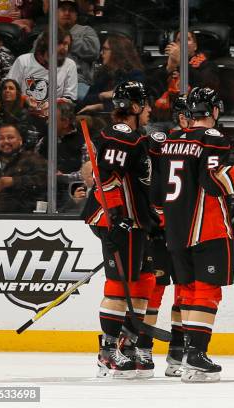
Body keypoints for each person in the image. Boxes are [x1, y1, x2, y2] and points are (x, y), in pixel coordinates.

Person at [148, 87, 234, 383]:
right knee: (207, 291)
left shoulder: (171, 140)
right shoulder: (212, 138)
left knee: (185, 290)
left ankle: (183, 353)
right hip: (207, 227)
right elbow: (214, 183)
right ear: (213, 111)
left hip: (175, 229)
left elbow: (157, 193)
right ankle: (196, 355)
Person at [81, 81, 157, 379]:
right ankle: (107, 351)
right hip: (117, 221)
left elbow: (137, 185)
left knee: (142, 282)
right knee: (119, 284)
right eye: (145, 104)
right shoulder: (122, 135)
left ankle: (126, 343)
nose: (149, 109)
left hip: (132, 220)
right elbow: (107, 178)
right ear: (134, 107)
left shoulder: (135, 137)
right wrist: (115, 215)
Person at [6, 27, 77, 117]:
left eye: (67, 44)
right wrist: (25, 99)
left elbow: (70, 99)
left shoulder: (70, 65)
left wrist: (52, 104)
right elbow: (8, 89)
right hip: (22, 113)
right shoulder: (24, 60)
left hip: (52, 116)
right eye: (60, 43)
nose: (65, 48)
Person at [35, 100, 88, 207]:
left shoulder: (84, 143)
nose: (47, 122)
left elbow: (88, 175)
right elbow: (34, 166)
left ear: (65, 122)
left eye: (52, 119)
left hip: (73, 193)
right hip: (45, 191)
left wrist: (63, 176)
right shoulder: (43, 141)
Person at [79, 34, 143, 114]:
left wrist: (100, 106)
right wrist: (103, 95)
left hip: (123, 121)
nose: (101, 53)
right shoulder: (103, 74)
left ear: (117, 52)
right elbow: (86, 100)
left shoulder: (134, 75)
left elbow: (131, 105)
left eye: (105, 49)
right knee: (80, 121)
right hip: (99, 119)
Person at [57, 0, 101, 100]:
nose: (67, 13)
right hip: (49, 79)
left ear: (76, 15)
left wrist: (67, 41)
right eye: (63, 9)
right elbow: (33, 57)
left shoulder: (86, 30)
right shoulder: (47, 33)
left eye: (71, 10)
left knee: (89, 100)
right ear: (56, 13)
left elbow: (94, 52)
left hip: (77, 81)